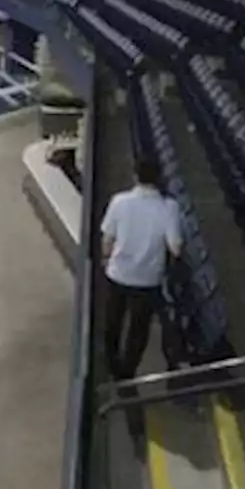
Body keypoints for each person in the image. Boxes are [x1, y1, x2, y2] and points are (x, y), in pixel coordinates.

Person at [100, 158, 183, 382]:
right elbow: (175, 248)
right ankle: (127, 372)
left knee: (112, 321)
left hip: (118, 274)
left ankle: (111, 364)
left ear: (134, 176)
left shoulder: (119, 202)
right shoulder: (170, 207)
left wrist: (106, 259)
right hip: (148, 280)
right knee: (138, 328)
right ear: (159, 178)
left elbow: (107, 240)